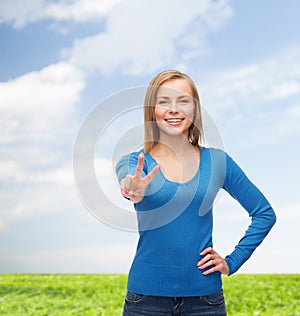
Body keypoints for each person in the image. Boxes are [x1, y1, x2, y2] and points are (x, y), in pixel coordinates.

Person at [115, 70, 276, 316]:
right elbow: (127, 182)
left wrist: (232, 262)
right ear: (152, 110)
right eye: (163, 101)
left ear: (195, 109)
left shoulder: (218, 162)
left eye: (183, 100)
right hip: (145, 301)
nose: (173, 109)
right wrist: (132, 188)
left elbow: (264, 213)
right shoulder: (136, 163)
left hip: (204, 301)